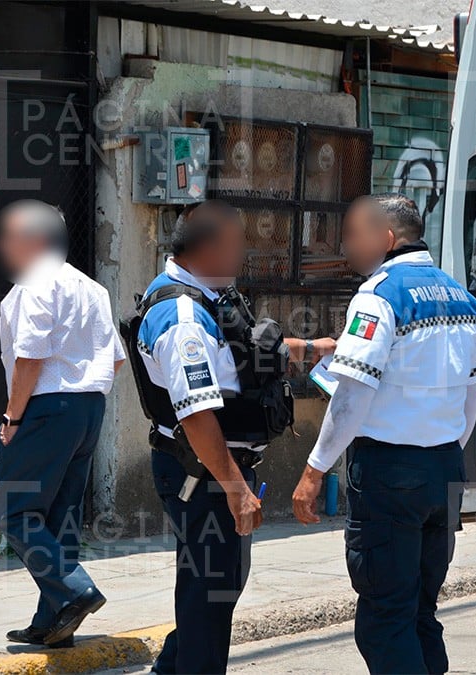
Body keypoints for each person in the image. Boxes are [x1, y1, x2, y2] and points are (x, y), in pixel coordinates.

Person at [125, 200, 330, 673]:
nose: (244, 256)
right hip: (203, 473)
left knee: (218, 587)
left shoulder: (211, 296)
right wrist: (236, 489)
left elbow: (245, 354)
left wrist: (316, 349)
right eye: (238, 245)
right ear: (209, 248)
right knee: (209, 598)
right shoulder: (181, 316)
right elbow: (196, 414)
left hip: (217, 471)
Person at [292, 193, 476, 675]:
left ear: (387, 238)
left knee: (385, 617)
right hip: (445, 470)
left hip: (391, 472)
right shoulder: (463, 298)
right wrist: (442, 452)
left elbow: (352, 394)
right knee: (422, 609)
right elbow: (471, 396)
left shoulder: (379, 296)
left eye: (354, 235)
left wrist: (314, 470)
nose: (347, 246)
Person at [0, 200, 125, 647]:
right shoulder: (91, 287)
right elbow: (115, 361)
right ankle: (53, 623)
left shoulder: (35, 283)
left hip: (46, 405)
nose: (4, 245)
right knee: (60, 515)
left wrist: (14, 416)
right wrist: (83, 393)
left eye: (10, 236)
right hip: (89, 407)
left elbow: (30, 357)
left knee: (14, 509)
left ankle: (75, 589)